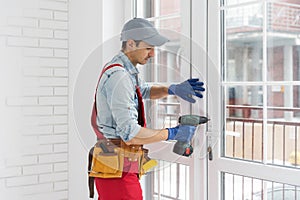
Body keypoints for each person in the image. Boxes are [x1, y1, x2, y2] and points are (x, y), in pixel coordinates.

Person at [92, 18, 205, 200]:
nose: (153, 54)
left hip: (119, 166)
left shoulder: (125, 71)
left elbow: (142, 90)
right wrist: (173, 133)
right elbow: (131, 134)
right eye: (148, 48)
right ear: (130, 43)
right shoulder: (119, 76)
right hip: (117, 171)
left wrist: (172, 89)